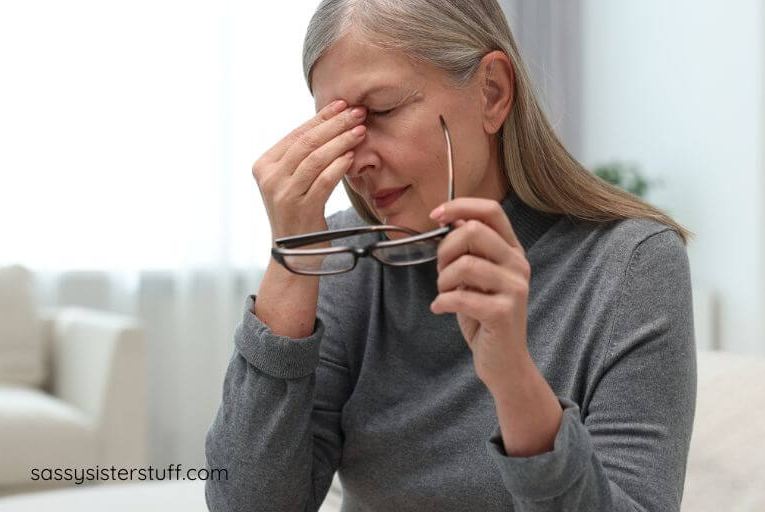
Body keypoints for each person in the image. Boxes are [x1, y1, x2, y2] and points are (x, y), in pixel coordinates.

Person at [204, 1, 697, 511]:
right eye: (334, 128)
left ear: (492, 92)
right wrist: (292, 259)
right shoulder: (345, 262)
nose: (357, 161)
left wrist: (514, 381)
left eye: (382, 111)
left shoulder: (632, 264)